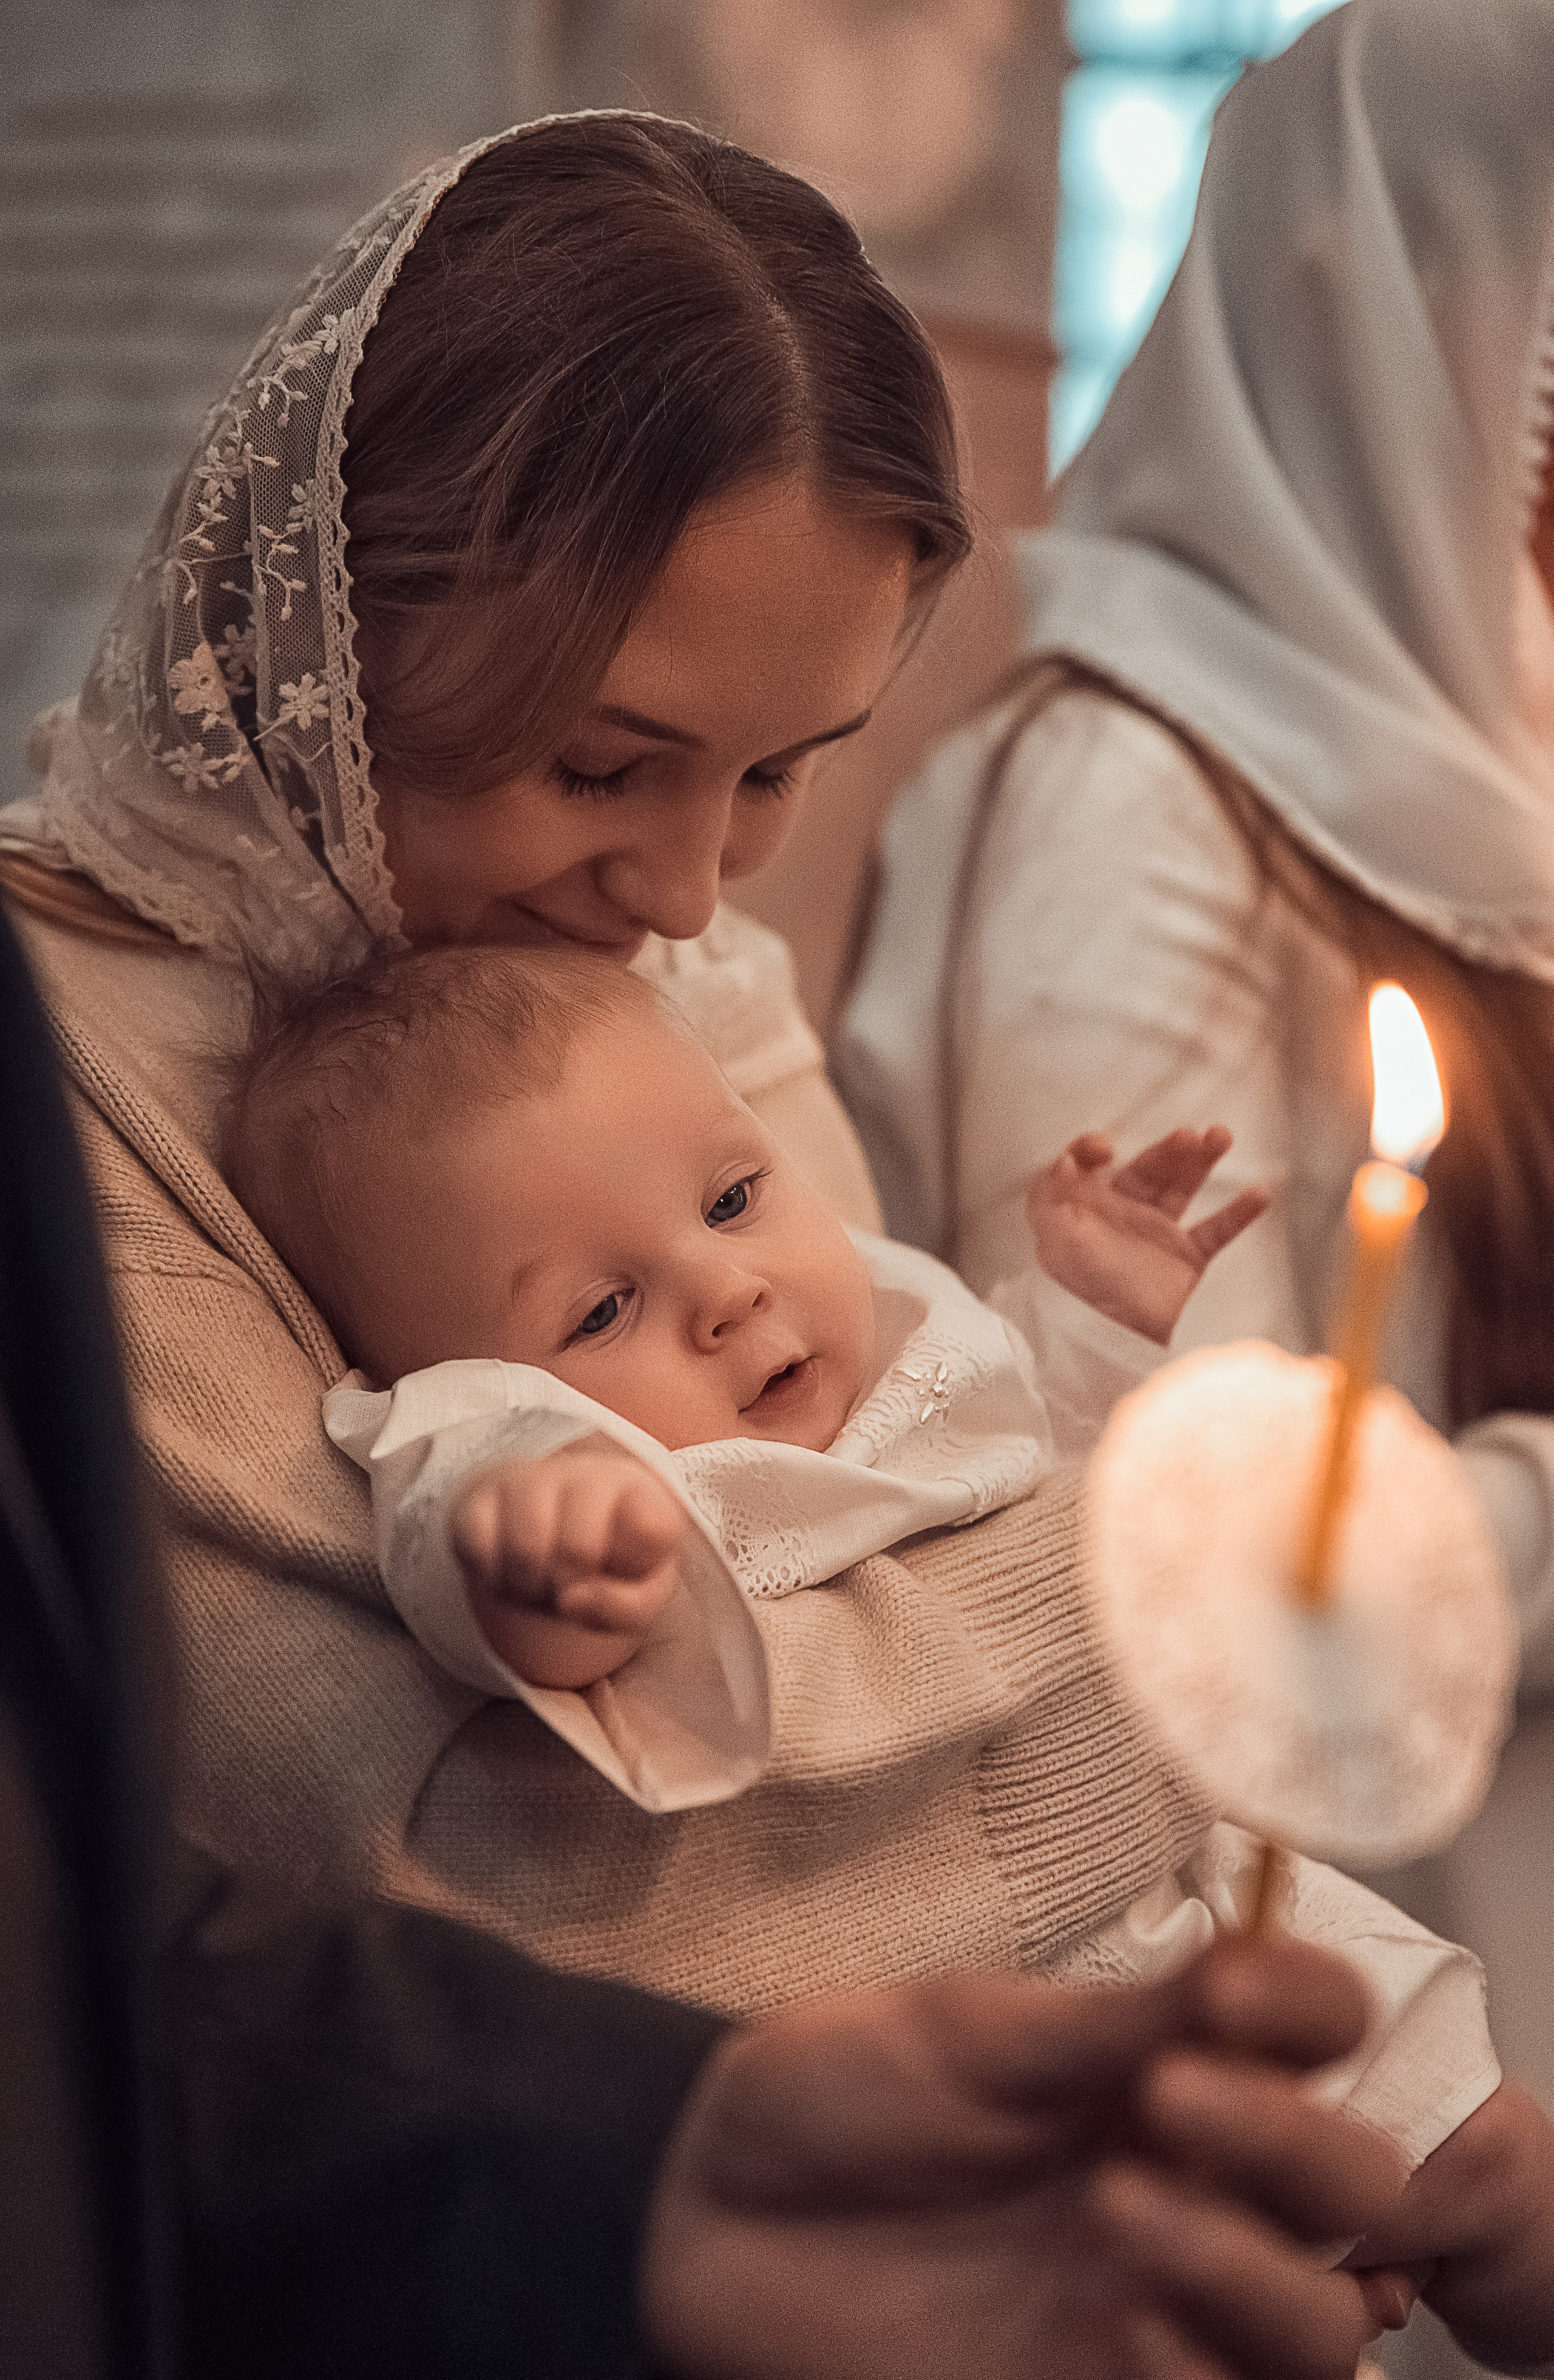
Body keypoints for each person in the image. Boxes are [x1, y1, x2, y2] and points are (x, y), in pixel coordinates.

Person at [0, 106, 1433, 2373]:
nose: (689, 893)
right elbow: (482, 1884)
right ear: (332, 620)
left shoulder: (679, 980)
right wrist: (1140, 1633)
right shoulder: (61, 1073)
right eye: (602, 764)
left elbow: (897, 1486)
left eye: (776, 771)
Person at [0, 895, 1423, 2380]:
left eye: (734, 1197)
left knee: (1452, 2115)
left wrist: (1093, 1323)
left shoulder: (870, 1306)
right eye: (602, 1304)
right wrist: (540, 1564)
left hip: (1166, 1862)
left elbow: (999, 1446)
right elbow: (450, 1508)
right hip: (957, 1964)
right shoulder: (513, 1433)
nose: (724, 1284)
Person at [838, 0, 1554, 2135]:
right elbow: (1183, 1560)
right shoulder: (1128, 802)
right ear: (1418, 335)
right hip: (1359, 2008)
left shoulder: (1468, 761)